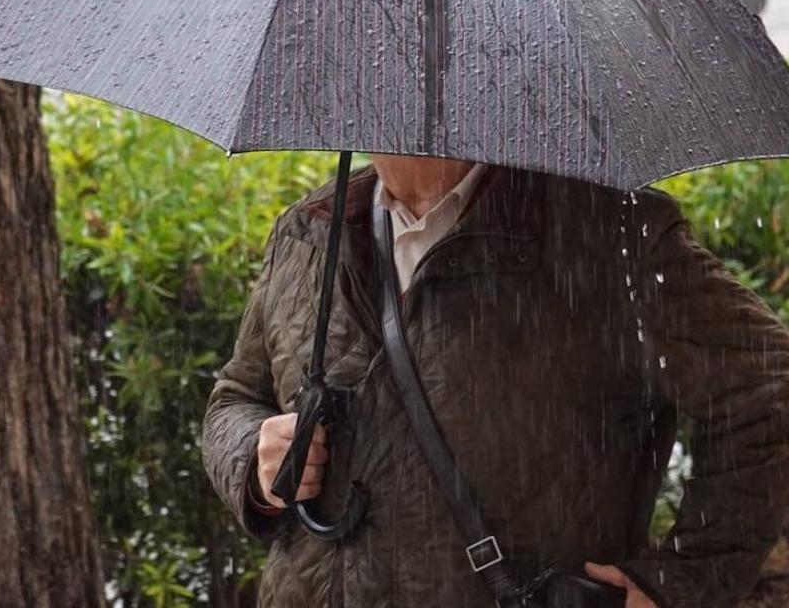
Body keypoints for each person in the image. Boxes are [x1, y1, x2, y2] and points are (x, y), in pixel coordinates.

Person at [202, 154, 789, 608]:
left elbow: (766, 388)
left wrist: (682, 582)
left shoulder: (605, 235)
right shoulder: (310, 232)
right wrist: (254, 455)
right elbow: (234, 397)